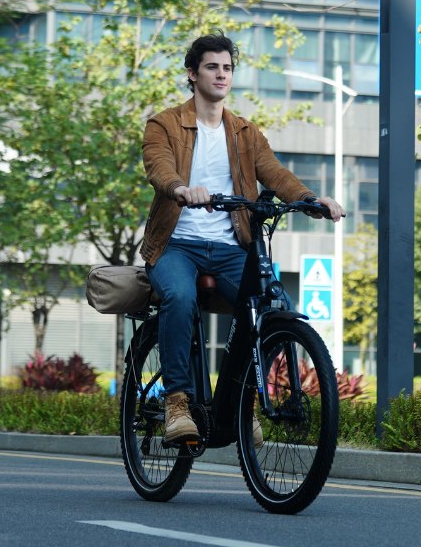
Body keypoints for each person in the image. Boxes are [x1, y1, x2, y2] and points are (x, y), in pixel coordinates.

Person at [141, 33, 345, 445]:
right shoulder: (164, 123)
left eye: (227, 68)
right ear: (192, 74)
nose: (221, 74)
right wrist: (181, 189)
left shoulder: (245, 132)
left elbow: (274, 172)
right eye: (212, 66)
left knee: (274, 308)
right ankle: (177, 404)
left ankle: (242, 401)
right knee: (179, 298)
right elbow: (158, 168)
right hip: (177, 246)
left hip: (232, 246)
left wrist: (309, 200)